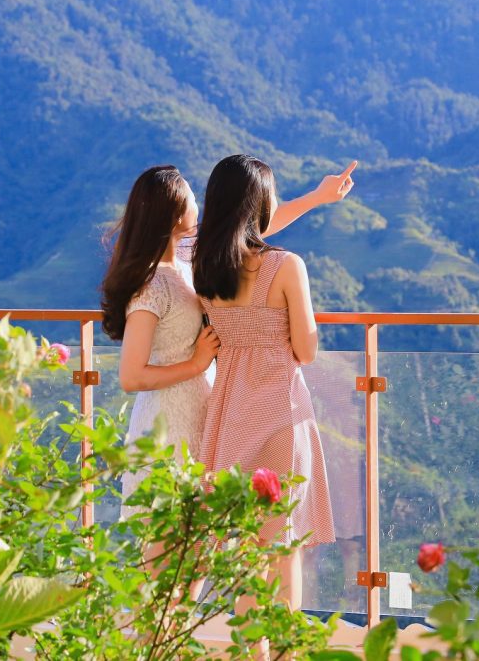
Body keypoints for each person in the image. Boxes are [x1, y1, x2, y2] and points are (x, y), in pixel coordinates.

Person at [100, 161, 356, 519]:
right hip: (183, 415)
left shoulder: (194, 261)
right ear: (175, 214)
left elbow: (247, 229)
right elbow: (131, 377)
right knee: (186, 531)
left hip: (215, 410)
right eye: (192, 198)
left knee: (211, 530)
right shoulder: (159, 281)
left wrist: (317, 197)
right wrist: (196, 364)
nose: (199, 205)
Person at [192, 154, 344, 610]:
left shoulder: (202, 267)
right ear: (259, 204)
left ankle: (250, 644)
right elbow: (306, 349)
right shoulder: (286, 265)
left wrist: (317, 197)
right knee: (283, 544)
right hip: (280, 413)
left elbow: (236, 233)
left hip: (229, 415)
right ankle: (280, 644)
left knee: (244, 547)